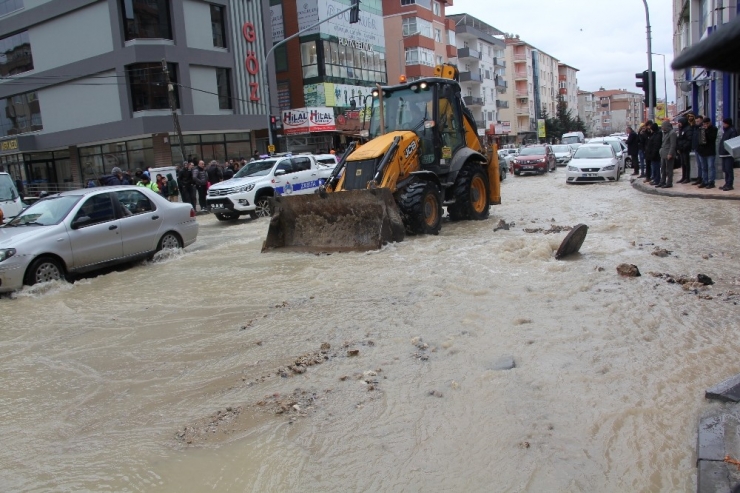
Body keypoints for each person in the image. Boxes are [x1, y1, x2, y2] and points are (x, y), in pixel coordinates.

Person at [697, 116, 718, 189]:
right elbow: (699, 140)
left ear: (710, 123)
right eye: (704, 123)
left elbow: (712, 139)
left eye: (707, 123)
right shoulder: (701, 129)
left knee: (711, 167)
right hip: (702, 151)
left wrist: (706, 131)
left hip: (710, 152)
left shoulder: (714, 129)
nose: (705, 125)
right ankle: (704, 181)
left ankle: (711, 182)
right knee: (703, 167)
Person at [719, 118, 738, 191]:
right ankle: (726, 183)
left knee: (728, 169)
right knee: (725, 170)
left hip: (728, 154)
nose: (723, 125)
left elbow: (732, 142)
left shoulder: (732, 131)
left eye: (724, 123)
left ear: (728, 123)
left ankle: (730, 184)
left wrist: (727, 150)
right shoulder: (726, 131)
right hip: (724, 154)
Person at [657, 121, 677, 188]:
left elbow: (673, 144)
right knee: (662, 169)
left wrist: (670, 153)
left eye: (663, 126)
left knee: (669, 169)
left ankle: (669, 182)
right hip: (663, 153)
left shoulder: (672, 133)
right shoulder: (665, 133)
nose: (662, 128)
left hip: (668, 154)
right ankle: (662, 181)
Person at [676, 117, 693, 183]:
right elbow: (679, 139)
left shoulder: (688, 129)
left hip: (685, 149)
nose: (679, 124)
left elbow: (689, 140)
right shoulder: (681, 129)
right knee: (683, 164)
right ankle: (683, 177)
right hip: (681, 149)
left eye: (680, 122)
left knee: (686, 163)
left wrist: (683, 147)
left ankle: (687, 177)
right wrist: (678, 148)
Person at [691, 114, 705, 185]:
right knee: (699, 165)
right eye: (696, 121)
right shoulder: (695, 128)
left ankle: (703, 179)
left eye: (698, 121)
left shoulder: (703, 128)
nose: (697, 122)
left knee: (703, 165)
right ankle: (699, 178)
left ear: (702, 120)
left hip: (701, 149)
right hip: (696, 148)